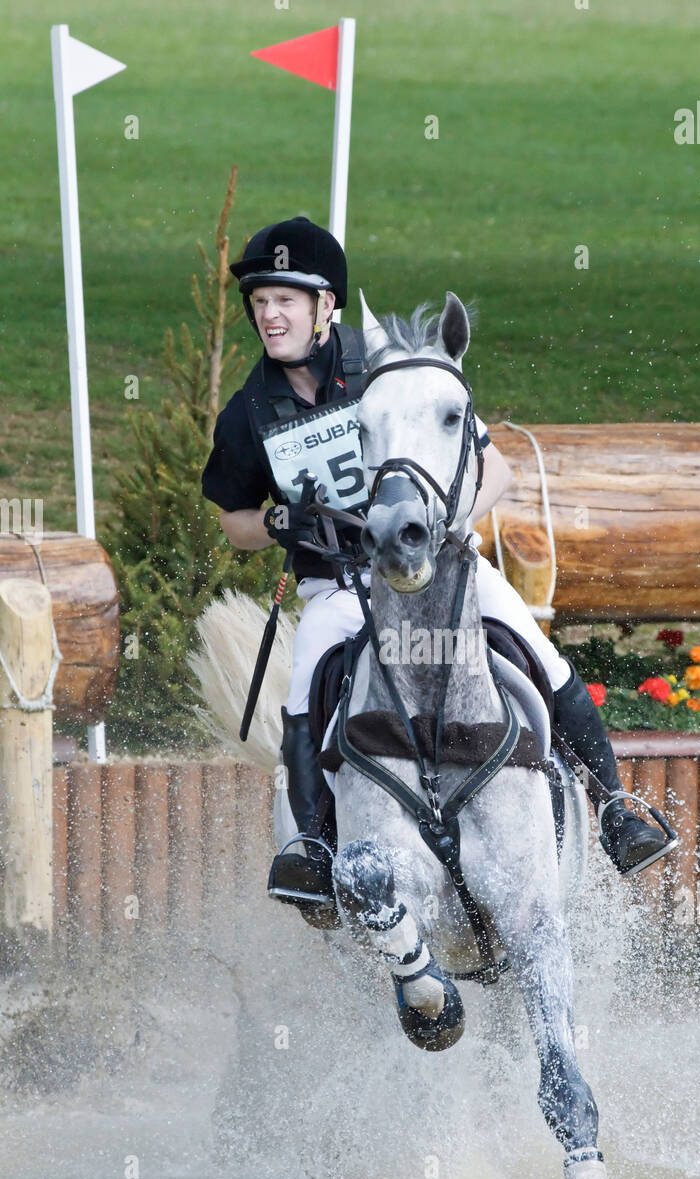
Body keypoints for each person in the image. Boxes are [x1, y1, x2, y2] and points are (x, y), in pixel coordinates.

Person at [201, 218, 672, 906]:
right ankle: (310, 846)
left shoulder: (393, 365)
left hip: (441, 572)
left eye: (286, 300)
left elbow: (499, 473)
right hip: (340, 585)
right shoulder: (248, 411)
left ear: (327, 305)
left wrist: (445, 528)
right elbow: (232, 522)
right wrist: (276, 521)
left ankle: (614, 809)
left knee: (542, 654)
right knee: (305, 686)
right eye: (261, 301)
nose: (269, 315)